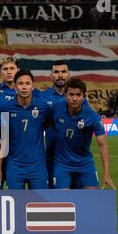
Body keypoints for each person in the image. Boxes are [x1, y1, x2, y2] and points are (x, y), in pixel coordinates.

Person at [51, 78, 116, 190]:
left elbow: (103, 145)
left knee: (93, 198)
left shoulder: (92, 116)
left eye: (78, 95)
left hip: (84, 163)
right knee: (62, 200)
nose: (75, 98)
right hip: (62, 163)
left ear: (84, 96)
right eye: (71, 94)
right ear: (65, 95)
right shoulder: (56, 109)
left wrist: (106, 174)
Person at [0, 70, 51, 189]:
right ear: (15, 87)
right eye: (21, 84)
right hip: (14, 165)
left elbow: (50, 125)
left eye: (28, 83)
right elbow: (0, 137)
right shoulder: (5, 108)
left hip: (38, 165)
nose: (24, 87)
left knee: (40, 204)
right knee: (15, 204)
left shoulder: (43, 107)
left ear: (33, 86)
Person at [40, 60, 71, 188]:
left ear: (69, 75)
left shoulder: (76, 97)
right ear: (51, 75)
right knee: (52, 191)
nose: (60, 75)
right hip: (51, 154)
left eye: (63, 72)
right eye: (56, 72)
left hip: (72, 154)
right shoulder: (42, 97)